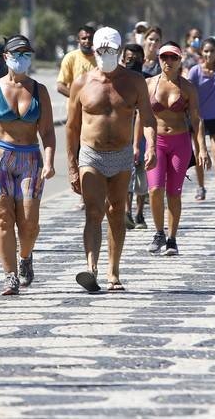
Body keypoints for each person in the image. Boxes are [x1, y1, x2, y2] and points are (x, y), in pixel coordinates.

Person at [66, 27, 156, 292]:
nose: (106, 54)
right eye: (102, 50)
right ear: (95, 51)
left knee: (117, 211)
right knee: (93, 211)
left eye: (111, 50)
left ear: (119, 51)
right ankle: (91, 268)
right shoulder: (82, 82)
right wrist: (72, 166)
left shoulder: (134, 81)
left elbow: (148, 118)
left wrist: (151, 146)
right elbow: (71, 127)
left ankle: (113, 272)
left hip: (121, 154)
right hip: (91, 154)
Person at [0, 35, 56, 295]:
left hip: (30, 158)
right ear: (5, 57)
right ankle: (10, 276)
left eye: (26, 53)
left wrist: (49, 161)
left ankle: (25, 257)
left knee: (29, 223)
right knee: (3, 218)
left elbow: (47, 132)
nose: (21, 58)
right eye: (16, 53)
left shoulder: (39, 90)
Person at [145, 42, 209, 256]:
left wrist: (202, 148)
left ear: (180, 60)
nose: (168, 61)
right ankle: (159, 233)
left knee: (174, 192)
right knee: (155, 189)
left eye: (173, 57)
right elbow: (143, 118)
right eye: (164, 57)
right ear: (159, 59)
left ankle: (172, 239)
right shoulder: (149, 84)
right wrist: (139, 146)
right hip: (157, 142)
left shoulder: (188, 87)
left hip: (180, 142)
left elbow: (197, 119)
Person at [187, 38, 215, 202]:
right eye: (206, 51)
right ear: (201, 52)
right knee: (199, 154)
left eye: (212, 51)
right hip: (198, 119)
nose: (209, 54)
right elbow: (187, 91)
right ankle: (201, 187)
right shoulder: (195, 71)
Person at [121, 43, 149, 229]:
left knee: (142, 177)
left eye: (137, 59)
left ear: (143, 60)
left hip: (145, 135)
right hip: (124, 135)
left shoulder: (148, 81)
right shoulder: (118, 81)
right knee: (125, 176)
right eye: (129, 59)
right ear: (123, 60)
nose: (133, 62)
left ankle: (139, 215)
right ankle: (126, 213)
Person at [56, 25, 96, 96]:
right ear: (78, 40)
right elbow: (60, 86)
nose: (87, 41)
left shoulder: (100, 59)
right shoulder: (70, 57)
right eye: (84, 38)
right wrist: (77, 98)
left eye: (90, 38)